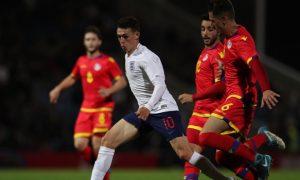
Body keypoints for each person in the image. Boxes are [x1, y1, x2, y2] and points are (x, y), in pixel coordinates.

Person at [90, 16, 236, 180]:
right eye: (119, 37)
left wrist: (148, 106)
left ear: (136, 35)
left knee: (185, 153)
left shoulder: (147, 57)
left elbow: (160, 84)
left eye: (126, 36)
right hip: (144, 112)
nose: (121, 41)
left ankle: (222, 179)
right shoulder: (128, 55)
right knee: (108, 141)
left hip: (163, 111)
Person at [197, 0, 285, 179]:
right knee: (223, 156)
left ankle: (259, 159)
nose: (212, 27)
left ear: (223, 20)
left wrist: (266, 89)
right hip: (240, 98)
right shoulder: (231, 37)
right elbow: (237, 63)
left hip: (239, 99)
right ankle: (261, 144)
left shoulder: (239, 41)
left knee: (205, 137)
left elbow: (255, 63)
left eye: (214, 23)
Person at [49, 25, 127, 180]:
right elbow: (72, 78)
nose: (90, 42)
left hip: (103, 108)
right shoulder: (81, 61)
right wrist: (58, 89)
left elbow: (122, 81)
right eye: (87, 40)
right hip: (86, 108)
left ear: (99, 42)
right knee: (79, 144)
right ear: (84, 42)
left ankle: (102, 175)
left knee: (98, 144)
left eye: (93, 39)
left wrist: (109, 91)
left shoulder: (108, 61)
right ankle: (102, 169)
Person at [178, 14, 225, 180]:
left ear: (218, 31)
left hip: (212, 113)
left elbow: (221, 86)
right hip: (198, 112)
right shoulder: (206, 51)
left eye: (210, 29)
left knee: (194, 154)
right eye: (203, 29)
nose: (205, 33)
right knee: (189, 154)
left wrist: (194, 96)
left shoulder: (219, 54)